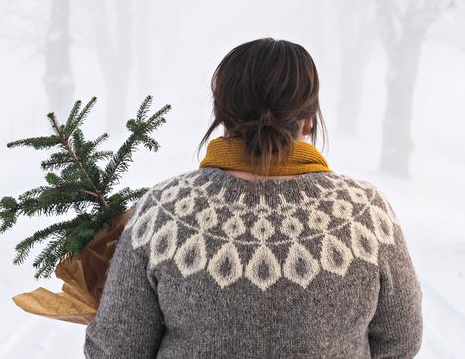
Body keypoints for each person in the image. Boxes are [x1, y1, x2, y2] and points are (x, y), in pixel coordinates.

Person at [84, 37, 423, 358]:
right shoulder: (365, 211)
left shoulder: (161, 212)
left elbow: (115, 350)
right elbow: (401, 340)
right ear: (308, 120)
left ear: (221, 113)